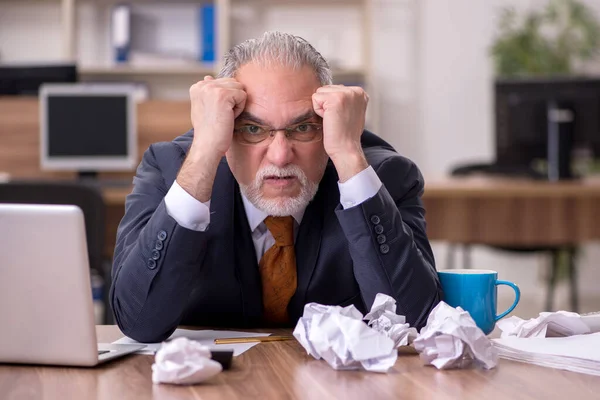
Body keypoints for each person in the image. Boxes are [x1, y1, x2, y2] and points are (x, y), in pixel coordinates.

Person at [110, 31, 442, 343]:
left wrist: (348, 156)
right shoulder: (172, 170)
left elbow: (414, 325)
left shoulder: (384, 177)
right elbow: (140, 323)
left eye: (304, 127)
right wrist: (205, 152)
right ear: (226, 130)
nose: (281, 156)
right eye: (253, 129)